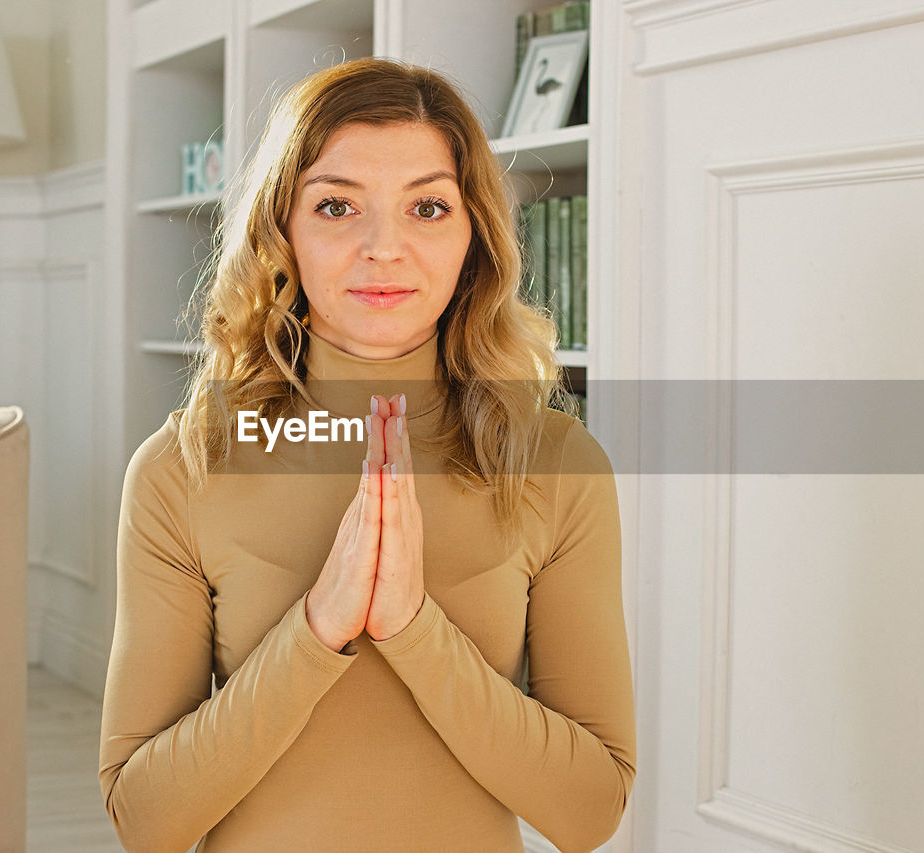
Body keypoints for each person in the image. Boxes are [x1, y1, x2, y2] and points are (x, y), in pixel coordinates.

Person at [98, 57, 635, 853]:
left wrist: (413, 627)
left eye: (426, 206)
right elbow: (144, 820)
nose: (384, 248)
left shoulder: (559, 463)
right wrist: (317, 629)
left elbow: (591, 811)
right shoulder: (183, 467)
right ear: (283, 230)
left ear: (474, 236)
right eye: (337, 205)